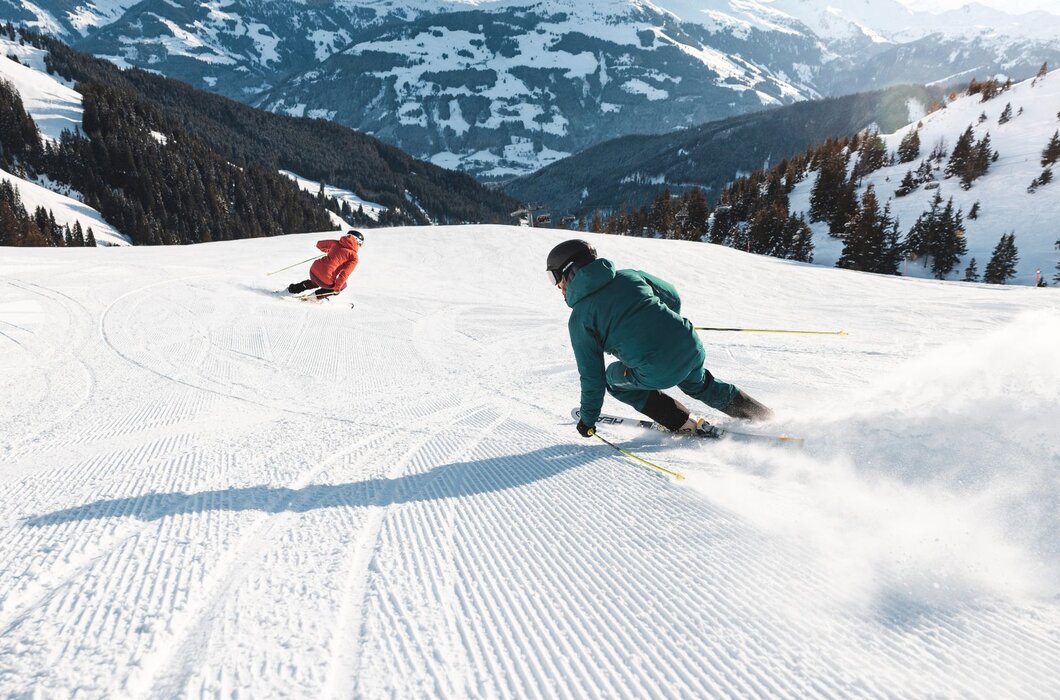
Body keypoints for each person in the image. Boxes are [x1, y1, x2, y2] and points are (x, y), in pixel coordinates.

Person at [546, 239, 772, 438]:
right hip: (689, 344)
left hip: (657, 368)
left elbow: (592, 377)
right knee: (700, 385)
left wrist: (588, 420)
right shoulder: (629, 276)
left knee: (612, 380)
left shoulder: (580, 319)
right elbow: (672, 296)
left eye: (555, 277)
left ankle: (680, 422)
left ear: (569, 272)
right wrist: (661, 324)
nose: (557, 286)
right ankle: (763, 416)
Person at [288, 230, 363, 298]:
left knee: (315, 282)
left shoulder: (335, 243)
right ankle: (313, 298)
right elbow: (344, 274)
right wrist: (337, 289)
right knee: (343, 285)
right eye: (360, 244)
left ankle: (294, 289)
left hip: (313, 270)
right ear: (358, 242)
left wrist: (330, 250)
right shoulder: (354, 257)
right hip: (326, 278)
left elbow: (319, 244)